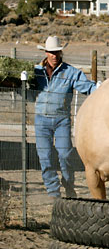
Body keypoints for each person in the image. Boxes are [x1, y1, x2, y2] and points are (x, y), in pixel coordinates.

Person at [34, 36, 97, 199]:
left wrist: (101, 88)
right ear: (46, 53)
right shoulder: (36, 71)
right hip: (41, 119)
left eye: (57, 52)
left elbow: (87, 87)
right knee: (45, 156)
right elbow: (25, 89)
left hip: (62, 119)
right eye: (51, 52)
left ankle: (69, 185)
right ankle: (53, 192)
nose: (54, 55)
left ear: (61, 52)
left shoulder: (71, 72)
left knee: (65, 154)